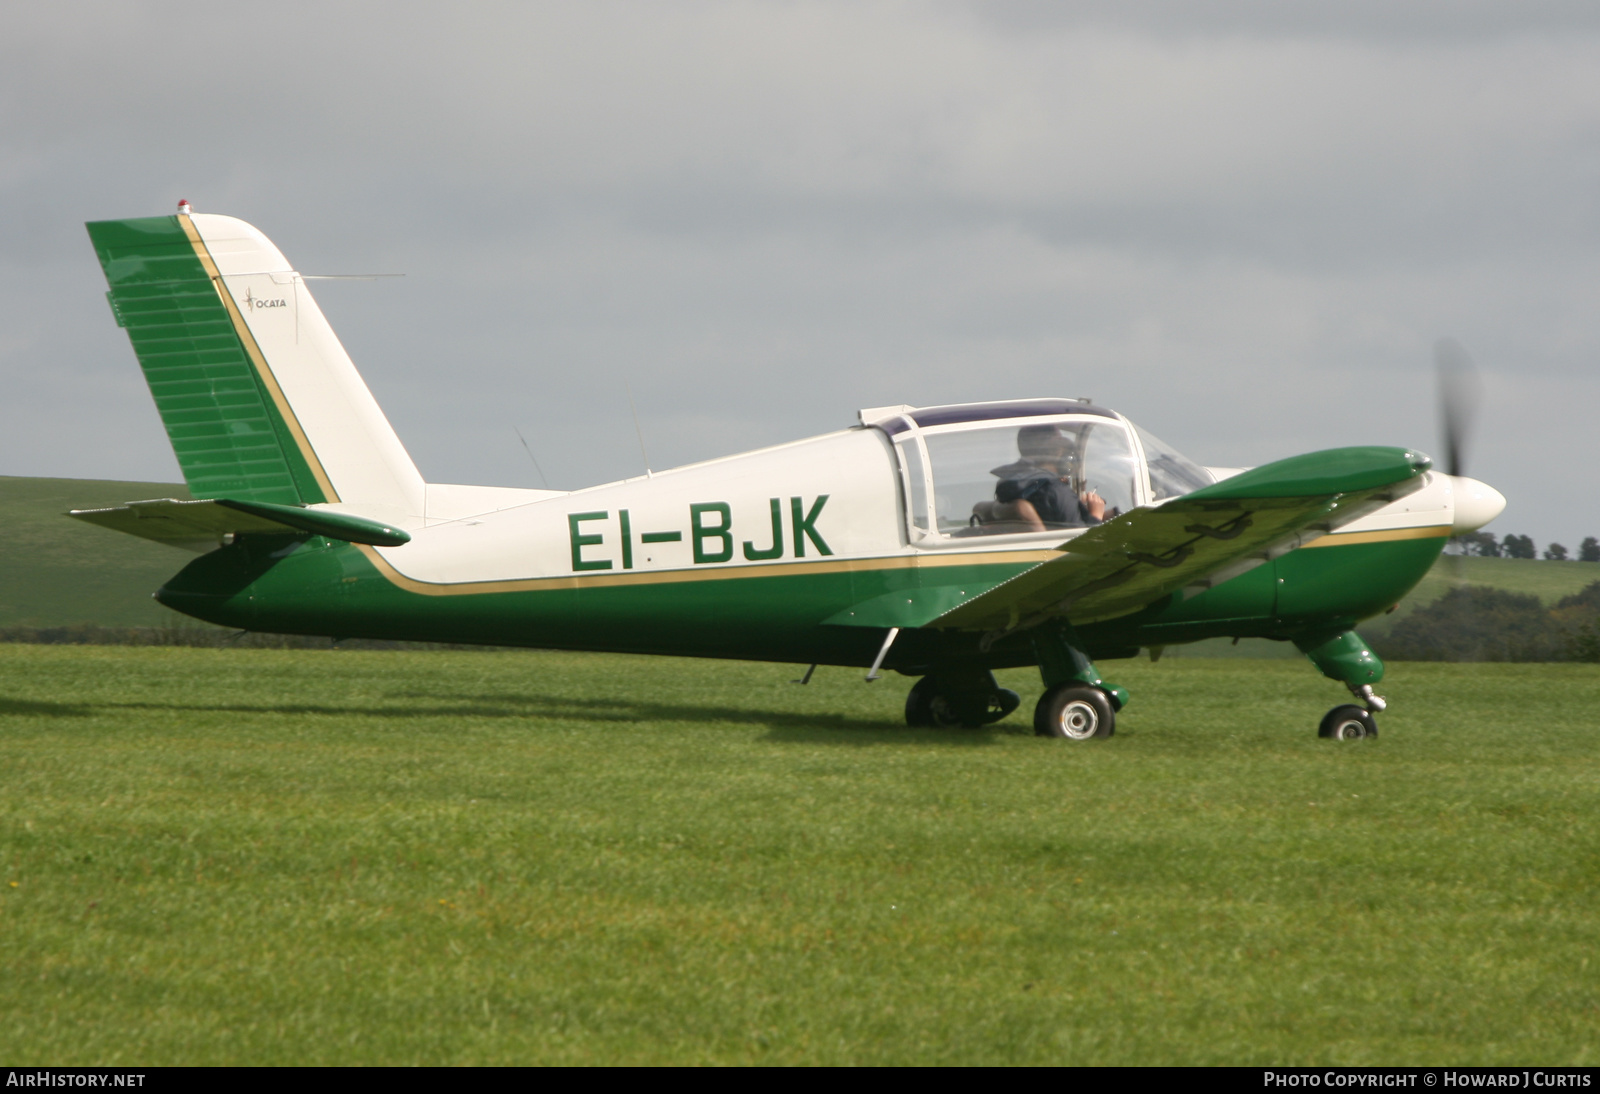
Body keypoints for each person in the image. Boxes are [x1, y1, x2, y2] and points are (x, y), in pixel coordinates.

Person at [987, 423, 1106, 531]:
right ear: (1056, 452)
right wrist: (1096, 515)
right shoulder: (1056, 491)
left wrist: (1075, 505)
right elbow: (1081, 541)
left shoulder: (1012, 483)